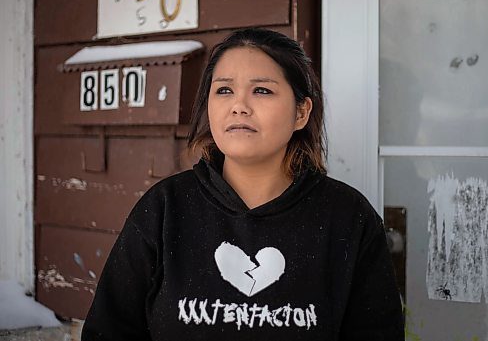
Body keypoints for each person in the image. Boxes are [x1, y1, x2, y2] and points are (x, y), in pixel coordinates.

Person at [82, 27, 404, 340]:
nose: (239, 105)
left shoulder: (348, 219)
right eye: (224, 90)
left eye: (261, 90)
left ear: (301, 112)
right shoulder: (164, 209)